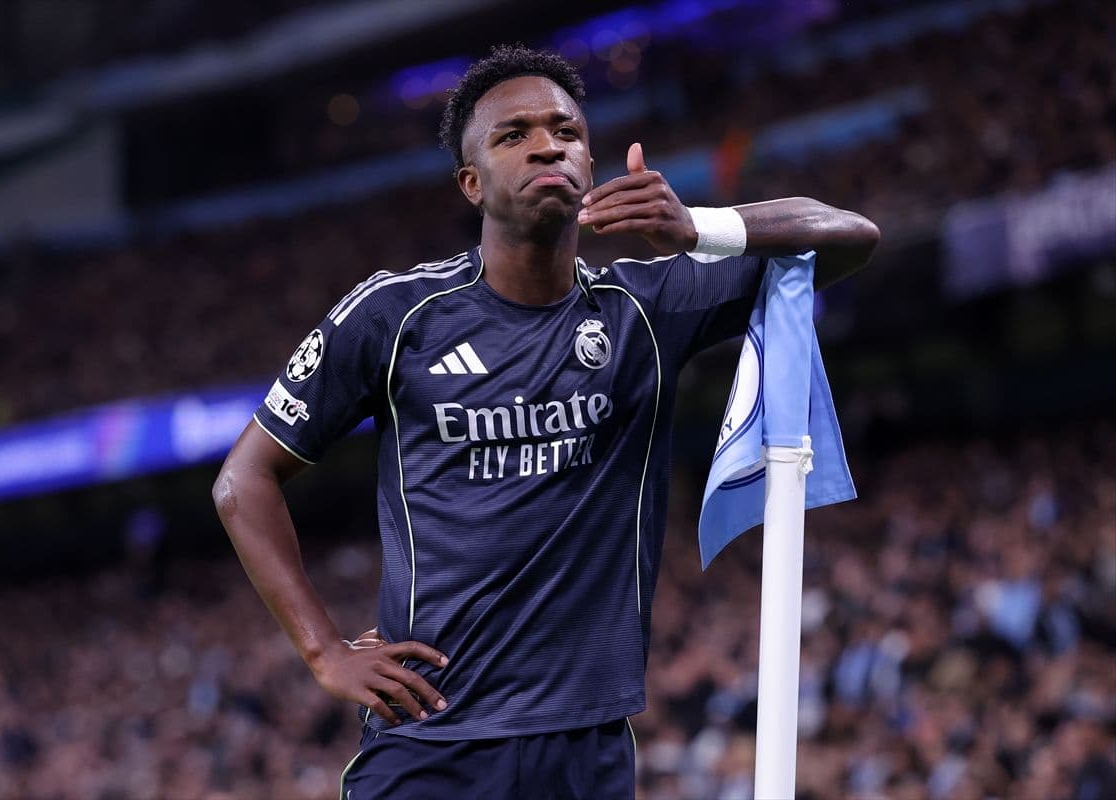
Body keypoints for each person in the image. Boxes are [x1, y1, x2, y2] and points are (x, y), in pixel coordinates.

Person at [213, 44, 879, 799]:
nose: (546, 146)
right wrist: (323, 651)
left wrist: (700, 228)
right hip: (432, 743)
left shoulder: (645, 310)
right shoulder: (394, 317)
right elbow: (244, 480)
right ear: (471, 182)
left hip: (587, 750)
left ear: (590, 164)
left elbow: (850, 236)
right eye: (513, 135)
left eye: (566, 131)